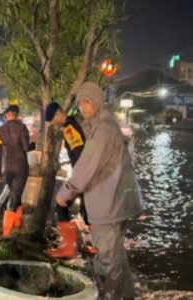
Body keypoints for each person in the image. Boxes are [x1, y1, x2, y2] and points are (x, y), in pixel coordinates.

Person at [56, 82, 144, 300]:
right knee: (117, 259)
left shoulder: (103, 128)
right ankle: (127, 296)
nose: (83, 107)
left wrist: (65, 193)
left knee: (106, 264)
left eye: (87, 101)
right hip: (116, 203)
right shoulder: (102, 125)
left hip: (109, 205)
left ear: (97, 101)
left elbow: (85, 166)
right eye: (80, 103)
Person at [44, 102, 96, 258]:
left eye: (52, 120)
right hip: (88, 175)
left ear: (58, 114)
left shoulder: (69, 128)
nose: (53, 123)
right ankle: (93, 247)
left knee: (60, 204)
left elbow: (80, 154)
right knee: (89, 211)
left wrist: (77, 180)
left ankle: (68, 248)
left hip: (83, 176)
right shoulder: (74, 122)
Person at [0, 105, 30, 237]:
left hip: (7, 169)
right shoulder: (22, 128)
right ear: (17, 115)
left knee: (15, 195)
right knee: (14, 199)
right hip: (21, 168)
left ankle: (17, 225)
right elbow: (26, 147)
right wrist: (31, 141)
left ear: (7, 116)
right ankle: (6, 234)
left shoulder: (0, 131)